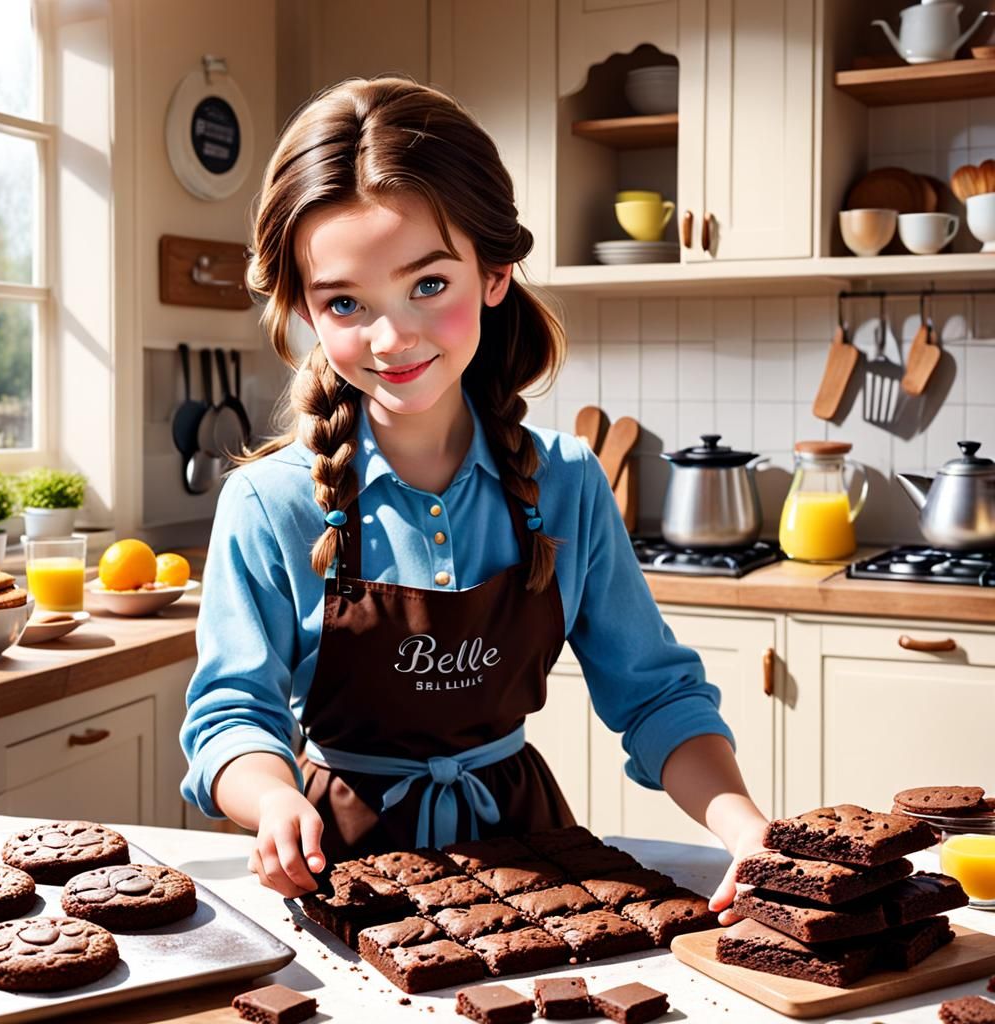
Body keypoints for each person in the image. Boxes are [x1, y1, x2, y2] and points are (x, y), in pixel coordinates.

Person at [179, 76, 767, 923]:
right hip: (337, 867)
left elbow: (655, 695)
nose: (393, 339)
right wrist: (272, 802)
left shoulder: (566, 482)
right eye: (345, 303)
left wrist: (743, 828)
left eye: (428, 286)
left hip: (535, 863)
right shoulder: (267, 504)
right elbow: (231, 714)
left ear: (495, 272)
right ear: (303, 309)